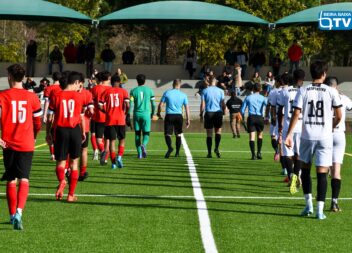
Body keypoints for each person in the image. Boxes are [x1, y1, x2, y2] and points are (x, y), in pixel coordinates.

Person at [285, 60, 342, 220]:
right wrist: (331, 127)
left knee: (306, 170)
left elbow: (296, 114)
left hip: (307, 136)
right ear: (324, 74)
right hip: (325, 137)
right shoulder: (331, 91)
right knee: (322, 174)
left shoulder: (303, 90)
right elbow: (339, 116)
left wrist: (289, 134)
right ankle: (319, 211)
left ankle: (308, 204)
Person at [0, 64, 42, 230]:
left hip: (8, 143)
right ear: (23, 78)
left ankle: (11, 216)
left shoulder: (3, 95)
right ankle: (19, 212)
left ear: (10, 76)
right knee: (24, 178)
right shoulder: (32, 97)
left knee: (11, 179)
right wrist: (34, 136)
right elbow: (38, 122)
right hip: (26, 143)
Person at [46, 71, 87, 203]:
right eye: (79, 85)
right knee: (74, 163)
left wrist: (48, 132)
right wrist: (83, 132)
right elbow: (81, 117)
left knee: (61, 162)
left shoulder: (57, 95)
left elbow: (50, 117)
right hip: (75, 130)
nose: (79, 87)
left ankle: (62, 180)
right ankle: (70, 195)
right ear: (75, 82)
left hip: (61, 130)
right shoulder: (80, 97)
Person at [324, 76, 352, 212]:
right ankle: (334, 202)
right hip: (339, 134)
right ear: (336, 86)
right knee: (336, 170)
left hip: (325, 133)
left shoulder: (323, 96)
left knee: (322, 167)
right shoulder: (343, 98)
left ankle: (321, 196)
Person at [278, 69, 305, 194]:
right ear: (303, 79)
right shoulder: (304, 91)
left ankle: (291, 177)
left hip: (288, 124)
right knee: (299, 154)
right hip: (300, 124)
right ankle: (296, 176)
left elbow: (280, 110)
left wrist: (280, 127)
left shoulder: (285, 91)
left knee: (287, 154)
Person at [99, 75, 130, 169]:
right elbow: (127, 105)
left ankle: (113, 163)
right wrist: (125, 113)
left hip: (109, 120)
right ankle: (119, 156)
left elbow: (100, 106)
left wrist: (107, 112)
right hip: (120, 119)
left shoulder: (106, 91)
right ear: (119, 82)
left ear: (111, 82)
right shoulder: (124, 91)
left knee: (112, 142)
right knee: (122, 139)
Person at [157, 79, 190, 158]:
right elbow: (187, 108)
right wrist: (188, 119)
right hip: (179, 116)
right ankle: (177, 153)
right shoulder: (183, 95)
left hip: (169, 115)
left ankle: (170, 148)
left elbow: (160, 105)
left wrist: (158, 113)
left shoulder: (167, 93)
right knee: (178, 134)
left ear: (173, 84)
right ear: (180, 85)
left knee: (167, 134)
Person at [129, 74, 156, 159]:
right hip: (146, 114)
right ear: (145, 80)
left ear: (137, 81)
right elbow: (153, 104)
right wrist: (152, 113)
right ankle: (143, 145)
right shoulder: (150, 91)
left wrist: (128, 114)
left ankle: (139, 154)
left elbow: (131, 104)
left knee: (137, 134)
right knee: (146, 133)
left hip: (136, 114)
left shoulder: (133, 91)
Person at [200, 77, 226, 158]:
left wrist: (201, 114)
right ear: (216, 82)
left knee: (209, 134)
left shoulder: (204, 91)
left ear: (209, 82)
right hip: (218, 113)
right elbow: (222, 103)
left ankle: (209, 153)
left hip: (209, 113)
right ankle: (216, 148)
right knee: (218, 131)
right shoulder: (221, 91)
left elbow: (202, 104)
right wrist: (224, 110)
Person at [240, 83, 268, 160]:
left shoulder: (248, 97)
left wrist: (242, 120)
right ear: (260, 89)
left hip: (251, 117)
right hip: (260, 117)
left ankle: (253, 155)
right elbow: (268, 106)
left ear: (253, 89)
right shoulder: (263, 98)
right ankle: (259, 152)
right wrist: (267, 117)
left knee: (252, 137)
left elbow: (242, 110)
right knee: (260, 136)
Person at [91, 72, 111, 164]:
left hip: (98, 116)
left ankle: (103, 152)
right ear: (109, 78)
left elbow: (90, 101)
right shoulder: (112, 89)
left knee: (99, 139)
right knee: (108, 139)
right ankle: (105, 158)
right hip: (111, 117)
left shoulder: (95, 89)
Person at [43, 72, 62, 160]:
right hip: (60, 113)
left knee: (49, 133)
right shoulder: (62, 87)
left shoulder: (49, 88)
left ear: (52, 78)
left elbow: (47, 102)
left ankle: (52, 154)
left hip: (51, 112)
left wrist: (44, 114)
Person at [78, 78, 94, 181]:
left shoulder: (68, 93)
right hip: (84, 125)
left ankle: (68, 171)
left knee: (71, 151)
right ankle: (82, 172)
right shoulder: (87, 93)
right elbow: (91, 111)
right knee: (84, 150)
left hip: (71, 125)